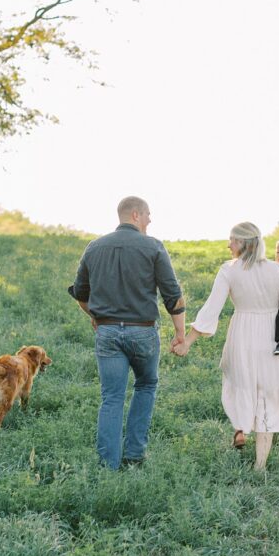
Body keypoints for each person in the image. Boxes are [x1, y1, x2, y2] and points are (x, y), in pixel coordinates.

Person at [172, 222, 279, 470]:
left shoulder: (230, 270)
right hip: (272, 337)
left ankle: (241, 428)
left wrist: (188, 341)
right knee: (268, 393)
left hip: (242, 332)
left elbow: (212, 309)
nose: (228, 245)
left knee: (241, 384)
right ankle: (260, 464)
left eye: (232, 240)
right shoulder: (276, 271)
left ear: (244, 243)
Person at [68, 196, 185, 470]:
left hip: (107, 332)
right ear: (135, 215)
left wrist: (95, 317)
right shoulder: (154, 246)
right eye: (147, 215)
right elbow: (172, 294)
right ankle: (134, 456)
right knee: (145, 385)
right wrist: (180, 332)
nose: (149, 220)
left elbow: (80, 294)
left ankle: (108, 466)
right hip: (142, 332)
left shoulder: (94, 247)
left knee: (111, 397)